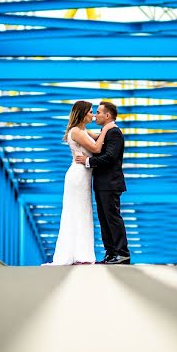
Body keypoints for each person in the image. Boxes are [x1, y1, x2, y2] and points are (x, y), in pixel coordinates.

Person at [46, 101, 115, 265]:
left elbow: (99, 139)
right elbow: (97, 148)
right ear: (82, 113)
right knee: (76, 211)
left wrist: (107, 129)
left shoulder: (83, 131)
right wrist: (107, 127)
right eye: (91, 112)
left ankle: (80, 253)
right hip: (77, 176)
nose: (93, 115)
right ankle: (78, 253)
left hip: (84, 177)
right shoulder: (76, 131)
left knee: (82, 211)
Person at [76, 101, 130, 265]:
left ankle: (122, 253)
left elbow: (110, 157)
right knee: (104, 219)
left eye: (98, 112)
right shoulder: (106, 131)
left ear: (107, 116)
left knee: (112, 218)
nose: (95, 115)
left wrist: (88, 161)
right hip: (102, 184)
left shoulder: (114, 132)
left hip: (110, 183)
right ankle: (111, 253)